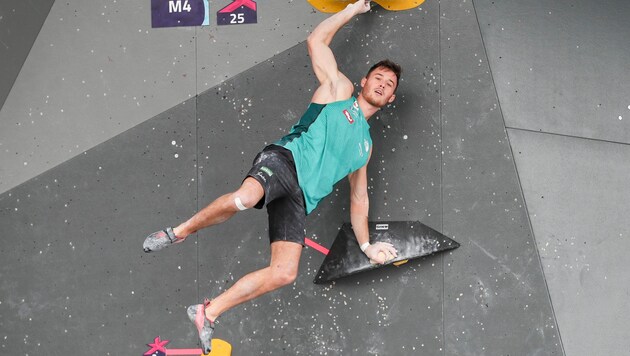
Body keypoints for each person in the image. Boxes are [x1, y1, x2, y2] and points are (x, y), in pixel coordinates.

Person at [142, 0, 401, 353]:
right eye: (379, 78)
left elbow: (359, 198)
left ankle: (208, 311)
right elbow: (317, 42)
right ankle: (179, 232)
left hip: (300, 198)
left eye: (390, 84)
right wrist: (353, 10)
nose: (383, 85)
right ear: (364, 81)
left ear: (392, 97)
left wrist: (368, 246)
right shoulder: (338, 92)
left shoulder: (364, 147)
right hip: (284, 160)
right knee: (244, 198)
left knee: (284, 273)